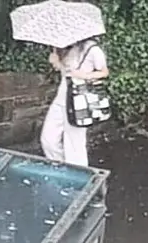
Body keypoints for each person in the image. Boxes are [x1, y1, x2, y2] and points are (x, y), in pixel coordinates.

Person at [40, 38, 109, 167]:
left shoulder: (92, 49)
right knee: (48, 140)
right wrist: (56, 61)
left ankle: (79, 176)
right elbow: (66, 73)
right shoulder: (64, 47)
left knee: (74, 146)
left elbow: (104, 72)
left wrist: (84, 75)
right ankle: (60, 168)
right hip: (60, 101)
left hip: (79, 103)